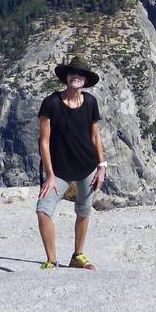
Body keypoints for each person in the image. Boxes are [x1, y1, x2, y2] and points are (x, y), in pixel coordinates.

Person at [36, 55, 106, 270]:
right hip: (59, 170)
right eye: (73, 73)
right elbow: (44, 141)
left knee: (84, 211)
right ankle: (52, 260)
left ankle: (78, 255)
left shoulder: (91, 102)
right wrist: (49, 175)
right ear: (66, 77)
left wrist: (102, 166)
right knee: (43, 210)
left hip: (86, 166)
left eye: (81, 74)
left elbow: (95, 135)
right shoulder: (51, 103)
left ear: (85, 81)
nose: (76, 76)